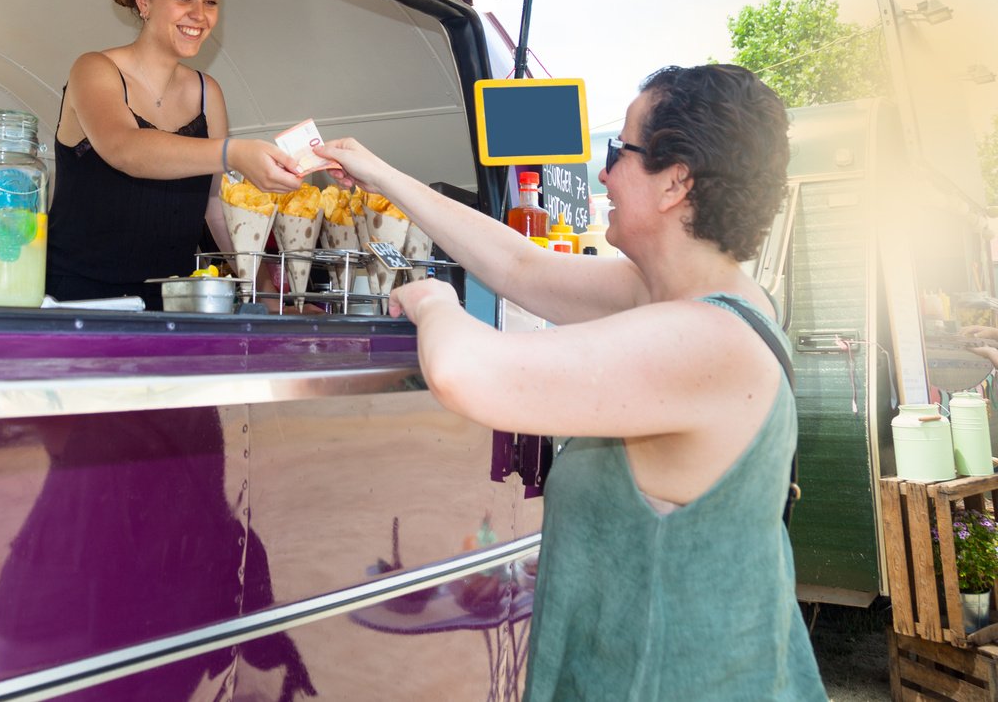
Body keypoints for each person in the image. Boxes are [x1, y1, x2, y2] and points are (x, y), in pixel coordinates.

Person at [314, 64, 825, 701]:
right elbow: (520, 265)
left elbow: (464, 373)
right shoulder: (692, 298)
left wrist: (435, 302)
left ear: (676, 182)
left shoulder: (708, 342)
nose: (604, 173)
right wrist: (383, 176)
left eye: (620, 151)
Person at [46, 0, 301, 309]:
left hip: (171, 300)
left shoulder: (206, 92)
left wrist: (267, 293)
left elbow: (215, 208)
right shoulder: (94, 69)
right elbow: (125, 149)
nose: (200, 13)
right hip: (79, 299)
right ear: (144, 0)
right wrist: (233, 153)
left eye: (211, 1)